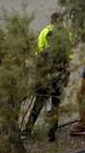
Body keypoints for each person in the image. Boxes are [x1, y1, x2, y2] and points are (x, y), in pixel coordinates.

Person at [26, 10, 69, 141]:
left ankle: (30, 128)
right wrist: (65, 74)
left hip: (47, 79)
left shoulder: (47, 37)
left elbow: (38, 57)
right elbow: (67, 57)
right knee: (54, 102)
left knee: (40, 103)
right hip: (56, 78)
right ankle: (52, 128)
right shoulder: (60, 35)